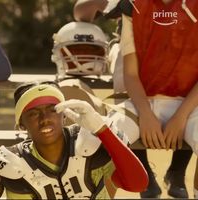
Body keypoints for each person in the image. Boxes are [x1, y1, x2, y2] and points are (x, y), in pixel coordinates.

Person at [74, 0, 194, 198]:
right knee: (125, 72)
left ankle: (177, 171)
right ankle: (143, 170)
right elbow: (80, 11)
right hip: (131, 46)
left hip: (178, 40)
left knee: (186, 71)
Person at [0, 81, 148, 199]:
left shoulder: (92, 145)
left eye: (53, 110)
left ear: (64, 115)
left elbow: (138, 184)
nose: (44, 119)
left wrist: (102, 130)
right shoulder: (15, 164)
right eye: (33, 113)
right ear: (21, 125)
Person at [108, 0, 198, 198]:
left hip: (188, 104)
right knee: (106, 139)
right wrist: (145, 114)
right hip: (143, 101)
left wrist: (181, 116)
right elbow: (130, 74)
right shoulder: (133, 6)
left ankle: (177, 173)